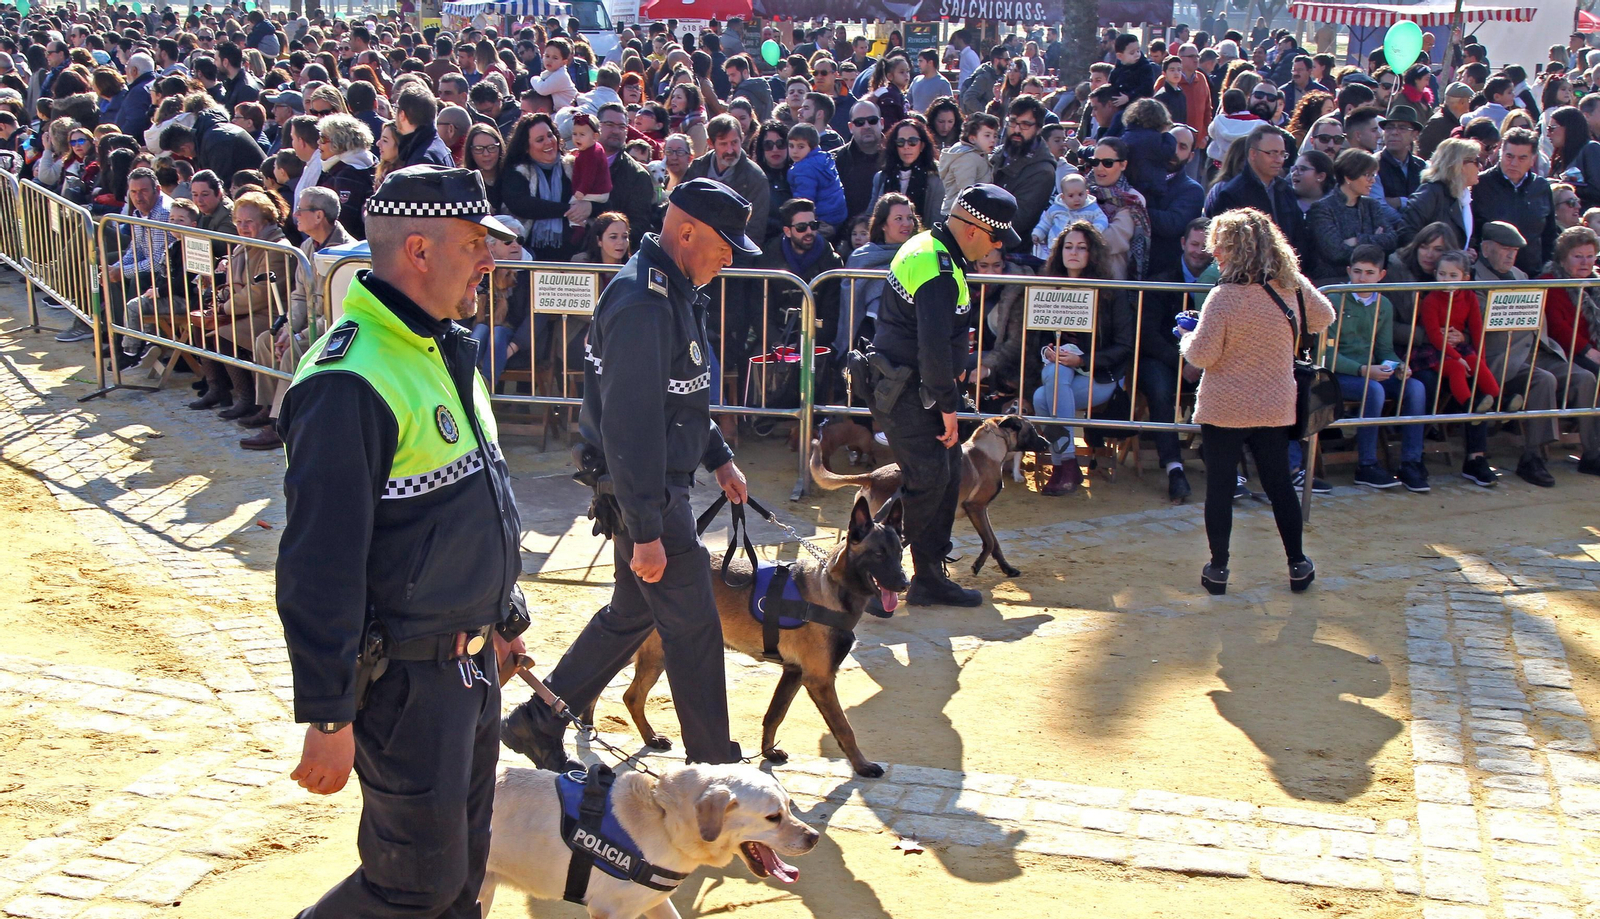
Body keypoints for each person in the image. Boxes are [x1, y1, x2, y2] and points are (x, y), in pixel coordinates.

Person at [277, 165, 525, 918]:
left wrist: (501, 620)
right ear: (418, 249)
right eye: (475, 243)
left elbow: (478, 504)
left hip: (469, 666)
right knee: (410, 885)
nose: (490, 260)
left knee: (459, 876)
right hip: (408, 685)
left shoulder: (442, 346)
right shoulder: (350, 378)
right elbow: (320, 564)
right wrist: (328, 714)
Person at [501, 178, 752, 770]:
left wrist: (718, 456)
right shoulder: (645, 301)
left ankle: (541, 719)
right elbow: (631, 425)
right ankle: (715, 768)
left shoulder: (671, 287)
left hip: (645, 487)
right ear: (686, 232)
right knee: (693, 632)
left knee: (632, 613)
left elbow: (678, 396)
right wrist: (644, 530)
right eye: (725, 243)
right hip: (646, 493)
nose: (731, 256)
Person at [868, 184, 1019, 608]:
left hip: (909, 387)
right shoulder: (937, 267)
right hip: (910, 390)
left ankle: (929, 575)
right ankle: (865, 563)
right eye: (996, 238)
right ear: (972, 229)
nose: (998, 248)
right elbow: (933, 349)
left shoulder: (931, 248)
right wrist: (949, 407)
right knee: (928, 481)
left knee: (946, 476)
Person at [1178, 207, 1333, 595]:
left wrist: (1185, 336)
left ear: (1230, 249)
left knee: (1219, 487)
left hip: (1224, 405)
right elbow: (1325, 315)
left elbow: (1201, 356)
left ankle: (1218, 568)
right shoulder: (1291, 286)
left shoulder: (1224, 296)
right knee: (1280, 484)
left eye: (1220, 246)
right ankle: (1297, 563)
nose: (1215, 253)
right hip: (1275, 401)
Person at [240, 186, 353, 451]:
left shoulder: (346, 254)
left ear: (319, 216)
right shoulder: (305, 246)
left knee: (294, 352)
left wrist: (299, 335)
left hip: (331, 330)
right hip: (309, 325)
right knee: (265, 342)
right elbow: (300, 296)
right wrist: (288, 328)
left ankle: (281, 423)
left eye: (301, 210)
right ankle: (267, 407)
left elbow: (341, 311)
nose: (295, 216)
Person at [1029, 222, 1134, 495]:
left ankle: (1064, 465)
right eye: (1068, 246)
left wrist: (1084, 360)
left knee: (1043, 398)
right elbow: (1037, 337)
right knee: (1054, 374)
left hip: (1098, 376)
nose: (1073, 252)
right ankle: (1067, 465)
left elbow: (1124, 345)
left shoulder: (1112, 292)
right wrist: (1046, 351)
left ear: (1092, 254)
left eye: (1082, 247)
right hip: (1057, 372)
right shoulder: (1049, 289)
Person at [1322, 244, 1429, 491]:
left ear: (1381, 275)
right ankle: (1366, 465)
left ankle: (1411, 462)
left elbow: (1384, 350)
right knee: (1374, 391)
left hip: (1368, 371)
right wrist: (1362, 370)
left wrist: (1398, 366)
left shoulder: (1384, 305)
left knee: (1415, 388)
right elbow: (1325, 353)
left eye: (1369, 273)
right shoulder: (1333, 300)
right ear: (1349, 271)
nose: (1362, 278)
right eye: (1357, 271)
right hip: (1339, 374)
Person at [1472, 127, 1557, 277]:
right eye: (1509, 156)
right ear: (1500, 154)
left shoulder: (1541, 187)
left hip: (1533, 276)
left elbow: (1549, 235)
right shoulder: (1480, 184)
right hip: (1489, 276)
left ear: (1533, 159)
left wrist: (1545, 267)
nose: (1514, 163)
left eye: (1522, 158)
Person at [1306, 148, 1396, 282]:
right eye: (1368, 175)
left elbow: (1392, 240)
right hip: (1334, 282)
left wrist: (1357, 241)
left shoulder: (1372, 205)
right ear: (1348, 177)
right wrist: (1374, 241)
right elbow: (1335, 253)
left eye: (1374, 175)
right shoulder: (1322, 208)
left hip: (1371, 282)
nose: (1372, 181)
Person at [1088, 137, 1152, 280]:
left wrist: (1075, 237)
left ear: (1123, 165)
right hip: (1077, 280)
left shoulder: (1132, 199)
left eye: (1107, 163)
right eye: (1095, 162)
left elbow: (1112, 240)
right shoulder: (1080, 191)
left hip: (1112, 281)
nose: (1099, 168)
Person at [1400, 138, 1479, 246]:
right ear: (1459, 165)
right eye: (1476, 161)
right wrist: (1434, 255)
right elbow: (1406, 232)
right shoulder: (1430, 192)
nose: (1480, 166)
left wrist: (1468, 250)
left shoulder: (1463, 197)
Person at [869, 117, 943, 226]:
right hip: (885, 241)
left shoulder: (937, 176)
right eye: (900, 142)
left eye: (912, 142)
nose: (906, 147)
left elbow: (937, 220)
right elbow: (872, 217)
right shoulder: (882, 177)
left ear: (922, 145)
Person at [315, 113, 376, 239]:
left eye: (322, 138)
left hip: (344, 250)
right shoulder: (371, 162)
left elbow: (344, 221)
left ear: (339, 142)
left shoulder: (347, 175)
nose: (318, 143)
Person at [786, 123, 848, 230]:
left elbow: (804, 199)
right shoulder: (824, 158)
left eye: (801, 146)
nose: (795, 151)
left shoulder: (804, 168)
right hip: (839, 213)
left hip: (822, 217)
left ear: (813, 146)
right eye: (791, 146)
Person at [1033, 172, 1108, 259]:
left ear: (1087, 193)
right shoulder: (1056, 209)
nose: (1077, 199)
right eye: (1071, 196)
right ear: (1063, 197)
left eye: (1080, 194)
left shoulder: (1092, 208)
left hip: (1080, 249)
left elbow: (1102, 219)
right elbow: (1045, 223)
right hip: (1056, 247)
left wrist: (1093, 230)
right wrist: (1038, 234)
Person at [937, 112, 998, 216]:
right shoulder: (966, 158)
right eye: (987, 135)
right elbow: (966, 191)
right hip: (959, 215)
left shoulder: (978, 154)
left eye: (995, 135)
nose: (992, 140)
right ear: (972, 138)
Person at [909, 48, 951, 115]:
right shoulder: (916, 80)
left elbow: (949, 107)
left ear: (930, 63)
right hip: (916, 122)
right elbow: (907, 101)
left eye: (921, 61)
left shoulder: (943, 83)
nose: (918, 64)